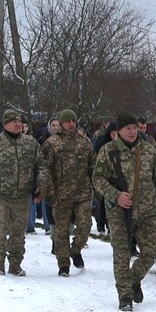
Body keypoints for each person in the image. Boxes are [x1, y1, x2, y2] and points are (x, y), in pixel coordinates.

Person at [94, 113, 156, 310]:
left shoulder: (148, 150)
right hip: (119, 211)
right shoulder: (108, 151)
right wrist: (115, 195)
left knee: (152, 250)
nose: (132, 131)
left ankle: (133, 279)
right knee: (121, 253)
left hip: (147, 210)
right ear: (118, 130)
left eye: (134, 127)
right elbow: (98, 179)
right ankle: (125, 296)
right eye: (127, 128)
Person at [0, 110, 44, 274]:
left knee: (18, 232)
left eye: (20, 122)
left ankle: (15, 264)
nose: (18, 124)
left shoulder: (30, 143)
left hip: (21, 196)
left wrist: (42, 184)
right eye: (14, 121)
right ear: (6, 124)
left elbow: (41, 165)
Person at [42, 110, 96, 276]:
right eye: (68, 121)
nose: (71, 124)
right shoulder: (52, 143)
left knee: (85, 224)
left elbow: (93, 166)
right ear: (62, 123)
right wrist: (49, 193)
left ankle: (76, 249)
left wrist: (97, 187)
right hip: (61, 196)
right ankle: (63, 264)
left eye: (74, 121)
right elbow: (45, 170)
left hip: (82, 194)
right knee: (62, 231)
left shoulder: (84, 142)